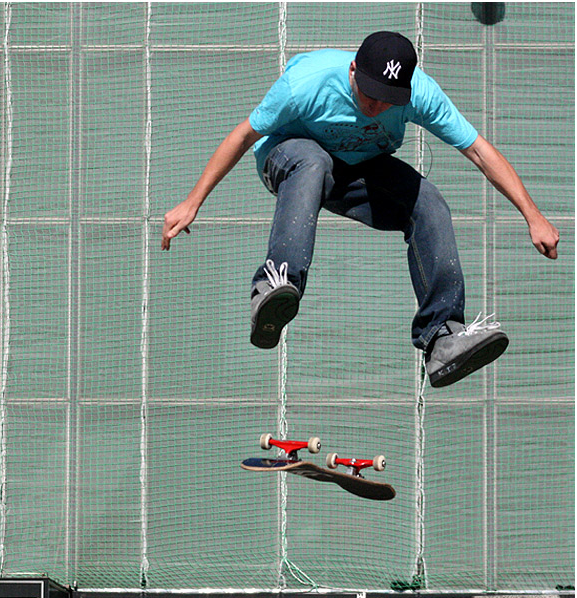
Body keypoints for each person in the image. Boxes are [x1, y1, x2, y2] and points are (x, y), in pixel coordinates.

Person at [161, 31, 560, 388]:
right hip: (288, 159)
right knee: (312, 160)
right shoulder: (306, 84)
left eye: (388, 101)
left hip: (356, 171)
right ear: (353, 70)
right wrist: (193, 201)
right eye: (369, 94)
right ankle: (274, 283)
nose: (376, 106)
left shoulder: (420, 93)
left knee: (428, 201)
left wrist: (532, 214)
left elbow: (477, 150)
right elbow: (244, 135)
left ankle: (442, 336)